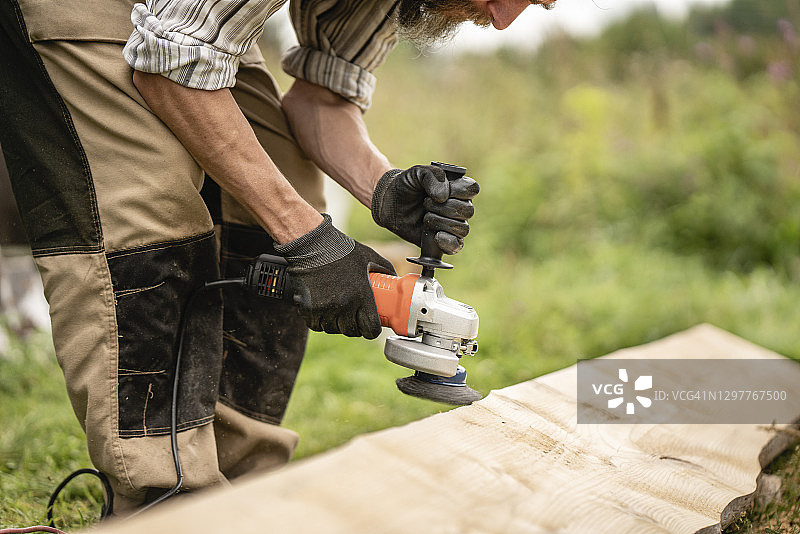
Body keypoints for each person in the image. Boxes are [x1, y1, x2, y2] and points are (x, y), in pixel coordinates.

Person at [0, 0, 555, 516]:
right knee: (152, 210)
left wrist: (381, 187)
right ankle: (166, 501)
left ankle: (244, 482)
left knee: (281, 175)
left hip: (188, 19)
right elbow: (172, 62)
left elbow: (321, 97)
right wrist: (310, 242)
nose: (503, 19)